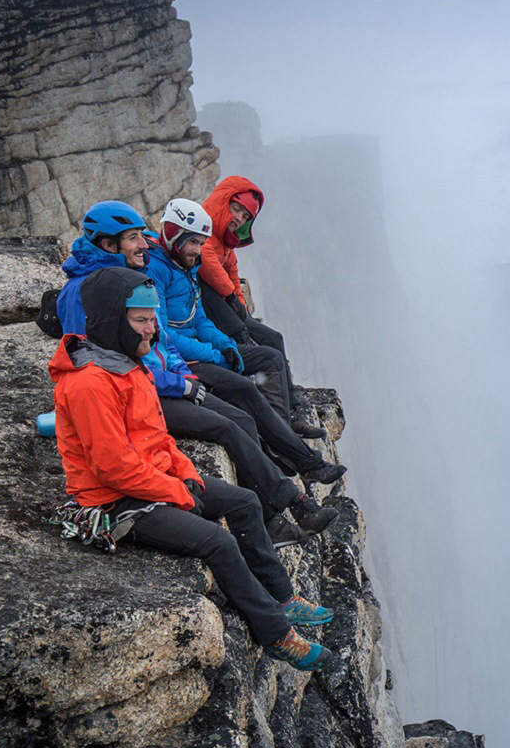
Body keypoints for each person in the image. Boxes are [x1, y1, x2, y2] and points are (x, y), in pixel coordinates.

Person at [48, 265, 333, 671]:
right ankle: (277, 635)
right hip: (115, 502)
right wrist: (177, 492)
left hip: (153, 479)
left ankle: (284, 598)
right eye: (142, 320)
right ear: (114, 319)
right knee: (218, 543)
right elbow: (113, 468)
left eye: (152, 318)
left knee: (245, 502)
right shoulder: (90, 384)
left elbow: (158, 436)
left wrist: (185, 473)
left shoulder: (128, 364)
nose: (152, 328)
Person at [58, 200, 338, 543]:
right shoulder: (85, 294)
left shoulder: (130, 281)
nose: (144, 244)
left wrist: (186, 373)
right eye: (134, 238)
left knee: (242, 417)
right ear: (107, 244)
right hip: (141, 399)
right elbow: (99, 363)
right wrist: (179, 381)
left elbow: (160, 341)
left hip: (162, 385)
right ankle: (284, 512)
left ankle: (289, 505)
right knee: (229, 426)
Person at [145, 197, 345, 491]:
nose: (198, 251)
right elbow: (163, 335)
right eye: (194, 243)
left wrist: (226, 345)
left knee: (269, 357)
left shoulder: (185, 268)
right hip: (181, 360)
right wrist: (216, 354)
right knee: (246, 390)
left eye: (201, 244)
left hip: (199, 351)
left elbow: (199, 319)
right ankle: (306, 462)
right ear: (175, 235)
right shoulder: (156, 270)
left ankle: (282, 437)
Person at [194, 176, 317, 435]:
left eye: (246, 216)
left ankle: (292, 408)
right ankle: (281, 424)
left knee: (274, 339)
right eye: (236, 208)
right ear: (223, 201)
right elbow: (206, 261)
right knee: (263, 352)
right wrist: (230, 297)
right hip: (209, 313)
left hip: (225, 311)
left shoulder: (225, 241)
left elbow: (231, 269)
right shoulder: (201, 227)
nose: (239, 218)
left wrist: (238, 302)